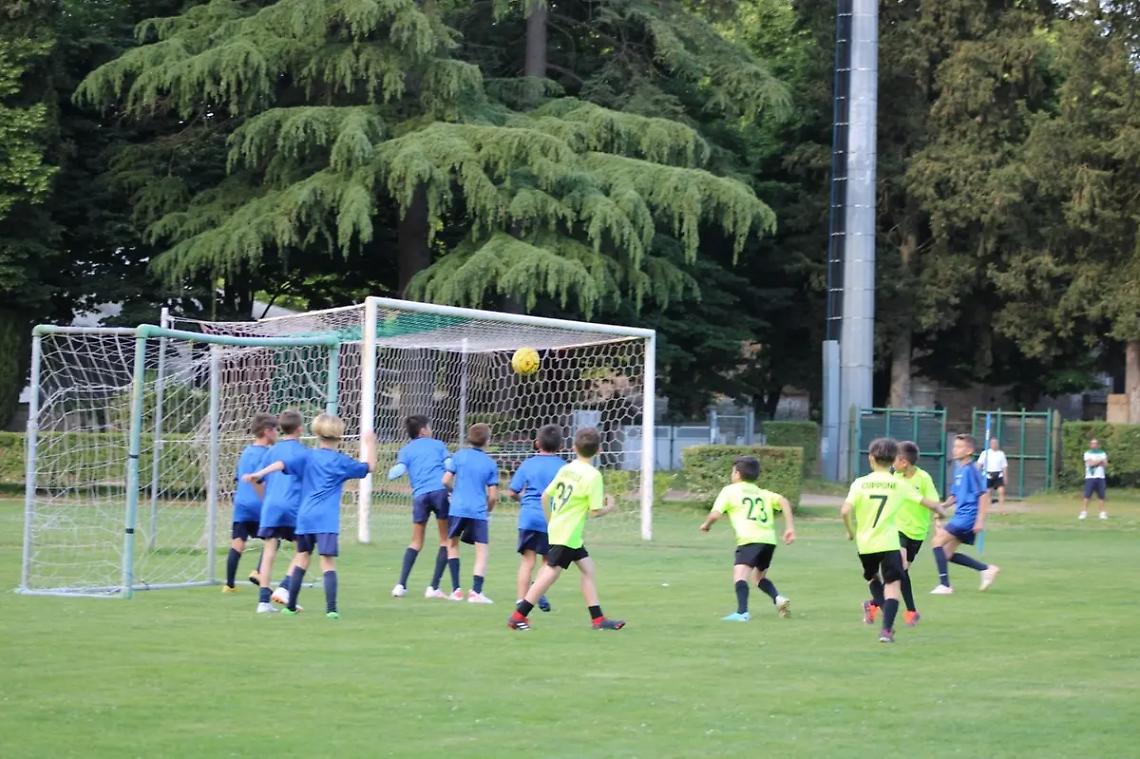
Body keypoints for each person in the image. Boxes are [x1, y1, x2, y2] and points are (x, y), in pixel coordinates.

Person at [249, 414, 377, 619]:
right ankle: (332, 609)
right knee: (327, 563)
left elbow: (282, 464)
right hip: (326, 519)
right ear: (340, 434)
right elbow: (368, 467)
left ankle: (290, 607)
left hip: (305, 516)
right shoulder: (341, 461)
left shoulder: (307, 456)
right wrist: (370, 443)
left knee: (302, 558)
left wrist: (261, 474)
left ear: (316, 432)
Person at [508, 428, 624, 631]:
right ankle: (519, 616)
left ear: (573, 447)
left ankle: (598, 620)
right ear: (599, 451)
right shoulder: (593, 475)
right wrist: (610, 506)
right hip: (568, 533)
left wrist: (551, 520)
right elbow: (595, 512)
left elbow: (545, 496)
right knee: (550, 574)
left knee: (588, 569)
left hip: (562, 530)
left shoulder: (567, 468)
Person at [698, 455, 795, 622]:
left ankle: (742, 613)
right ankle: (778, 599)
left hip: (750, 540)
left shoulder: (730, 491)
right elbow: (784, 501)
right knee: (758, 578)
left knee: (740, 576)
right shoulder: (762, 493)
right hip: (768, 541)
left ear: (736, 474)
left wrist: (706, 525)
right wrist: (790, 527)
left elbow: (715, 514)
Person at [841, 437, 912, 643]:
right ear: (893, 460)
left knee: (873, 578)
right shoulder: (898, 483)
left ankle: (877, 611)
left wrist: (850, 531)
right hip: (889, 542)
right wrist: (939, 510)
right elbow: (923, 501)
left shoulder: (859, 483)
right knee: (893, 584)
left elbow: (845, 511)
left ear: (870, 458)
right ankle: (886, 630)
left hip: (865, 543)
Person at [249, 409, 309, 614]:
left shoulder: (270, 452)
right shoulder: (304, 453)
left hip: (271, 506)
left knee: (268, 552)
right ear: (300, 428)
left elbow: (256, 480)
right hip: (293, 506)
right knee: (304, 549)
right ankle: (284, 587)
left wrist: (265, 500)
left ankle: (263, 602)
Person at [389, 415, 452, 599]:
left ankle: (401, 585)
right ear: (423, 430)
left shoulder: (406, 450)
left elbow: (397, 471)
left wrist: (392, 472)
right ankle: (433, 587)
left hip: (420, 496)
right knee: (445, 541)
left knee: (416, 542)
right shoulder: (438, 445)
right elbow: (449, 465)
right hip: (440, 492)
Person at [930, 434, 1000, 595]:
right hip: (961, 516)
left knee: (936, 541)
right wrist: (943, 506)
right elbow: (955, 495)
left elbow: (983, 495)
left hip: (967, 517)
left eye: (959, 447)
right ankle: (986, 569)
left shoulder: (971, 470)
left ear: (969, 451)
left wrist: (980, 521)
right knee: (946, 554)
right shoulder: (959, 470)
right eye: (954, 446)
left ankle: (945, 585)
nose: (955, 449)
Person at [885, 441, 946, 626]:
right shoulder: (893, 476)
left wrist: (938, 525)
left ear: (904, 462)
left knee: (899, 574)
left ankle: (874, 603)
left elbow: (935, 503)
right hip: (897, 529)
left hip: (917, 533)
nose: (891, 463)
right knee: (900, 566)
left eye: (894, 459)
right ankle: (911, 612)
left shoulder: (923, 478)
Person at [507, 424, 565, 611]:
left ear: (537, 443)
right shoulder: (564, 467)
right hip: (551, 520)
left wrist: (523, 500)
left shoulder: (528, 464)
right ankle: (536, 592)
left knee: (527, 562)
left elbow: (512, 492)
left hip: (529, 518)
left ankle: (520, 601)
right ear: (561, 445)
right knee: (548, 563)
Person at [443, 423, 499, 604]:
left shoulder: (458, 456)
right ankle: (476, 592)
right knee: (481, 551)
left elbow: (445, 480)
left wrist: (454, 492)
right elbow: (492, 497)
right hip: (477, 511)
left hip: (457, 508)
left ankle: (456, 591)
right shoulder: (490, 464)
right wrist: (487, 511)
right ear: (487, 441)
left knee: (452, 545)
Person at [225, 412, 276, 592]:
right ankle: (258, 572)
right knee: (273, 538)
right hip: (259, 504)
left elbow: (239, 477)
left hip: (241, 504)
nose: (277, 434)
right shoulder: (269, 455)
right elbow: (262, 480)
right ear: (267, 431)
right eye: (275, 430)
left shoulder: (246, 452)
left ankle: (229, 585)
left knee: (238, 542)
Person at [1081, 438, 1108, 520]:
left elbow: (1105, 464)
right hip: (1090, 477)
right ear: (1090, 445)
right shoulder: (1087, 453)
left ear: (1098, 445)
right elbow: (1090, 464)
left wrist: (1099, 462)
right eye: (1092, 443)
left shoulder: (1103, 453)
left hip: (1100, 477)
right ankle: (1084, 512)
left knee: (1101, 496)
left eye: (1095, 443)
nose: (1094, 445)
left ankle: (1102, 513)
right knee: (1087, 495)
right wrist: (1100, 460)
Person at [977, 437, 1008, 509]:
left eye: (995, 443)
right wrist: (977, 473)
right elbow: (979, 464)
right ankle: (988, 507)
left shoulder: (1001, 454)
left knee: (1001, 491)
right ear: (990, 444)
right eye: (992, 443)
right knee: (988, 492)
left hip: (998, 474)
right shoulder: (985, 453)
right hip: (988, 474)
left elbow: (1004, 466)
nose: (994, 444)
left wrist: (1005, 477)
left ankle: (1002, 507)